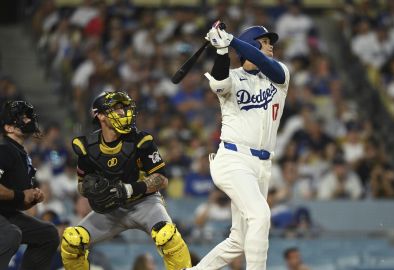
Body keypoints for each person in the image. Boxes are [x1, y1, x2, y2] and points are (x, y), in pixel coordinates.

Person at [187, 21, 290, 270]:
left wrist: (230, 39)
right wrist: (222, 51)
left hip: (262, 165)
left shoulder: (280, 74)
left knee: (239, 240)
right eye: (264, 41)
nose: (270, 46)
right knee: (261, 215)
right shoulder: (232, 77)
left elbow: (266, 65)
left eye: (270, 42)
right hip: (234, 159)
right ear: (251, 45)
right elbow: (220, 80)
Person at [61, 91, 191, 270]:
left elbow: (161, 180)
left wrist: (129, 189)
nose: (122, 112)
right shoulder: (87, 147)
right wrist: (91, 189)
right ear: (99, 115)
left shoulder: (141, 140)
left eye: (123, 107)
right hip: (111, 209)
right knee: (72, 241)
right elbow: (81, 185)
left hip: (145, 203)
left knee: (168, 236)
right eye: (115, 108)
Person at [0, 100, 60, 269]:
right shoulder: (4, 149)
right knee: (10, 234)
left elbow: (15, 201)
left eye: (28, 117)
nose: (28, 120)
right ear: (9, 128)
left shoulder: (19, 152)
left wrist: (30, 199)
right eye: (22, 118)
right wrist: (20, 195)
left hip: (5, 214)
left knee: (47, 234)